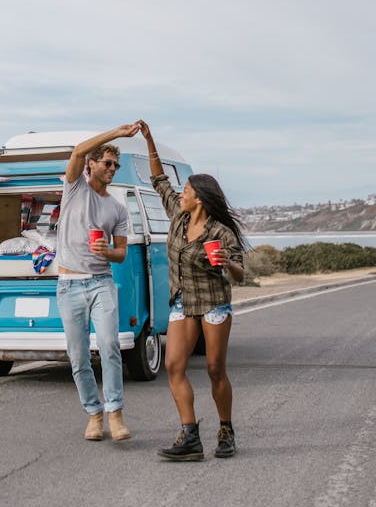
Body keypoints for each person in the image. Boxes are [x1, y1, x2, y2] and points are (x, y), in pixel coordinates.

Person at [137, 120, 246, 461]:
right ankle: (190, 436)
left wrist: (226, 263)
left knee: (215, 369)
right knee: (173, 366)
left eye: (185, 191)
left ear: (198, 198)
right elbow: (159, 181)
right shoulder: (177, 218)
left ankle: (226, 429)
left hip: (213, 303)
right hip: (182, 302)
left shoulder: (220, 231)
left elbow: (240, 276)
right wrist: (150, 141)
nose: (180, 194)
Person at [55, 124, 140, 442]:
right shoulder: (74, 187)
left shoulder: (117, 209)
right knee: (78, 357)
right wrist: (117, 133)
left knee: (109, 345)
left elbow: (121, 253)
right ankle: (94, 415)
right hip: (68, 285)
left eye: (116, 165)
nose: (113, 169)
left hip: (101, 282)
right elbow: (77, 150)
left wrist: (109, 250)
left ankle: (115, 413)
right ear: (91, 164)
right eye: (108, 163)